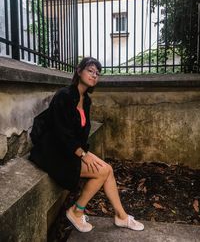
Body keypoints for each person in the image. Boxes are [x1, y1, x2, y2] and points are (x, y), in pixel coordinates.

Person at [29, 57, 144, 233]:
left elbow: (80, 134)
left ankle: (121, 216)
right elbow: (61, 132)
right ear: (79, 70)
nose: (94, 75)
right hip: (53, 152)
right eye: (90, 70)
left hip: (69, 150)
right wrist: (83, 154)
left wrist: (84, 152)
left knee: (108, 169)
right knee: (103, 171)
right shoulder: (64, 95)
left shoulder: (86, 100)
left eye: (97, 73)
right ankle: (76, 211)